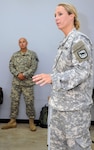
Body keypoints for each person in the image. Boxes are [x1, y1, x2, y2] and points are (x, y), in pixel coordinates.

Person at [32, 3, 93, 150]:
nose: (56, 18)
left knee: (76, 147)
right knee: (57, 146)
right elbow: (64, 73)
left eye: (60, 14)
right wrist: (53, 91)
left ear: (72, 16)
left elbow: (82, 71)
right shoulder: (64, 43)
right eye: (55, 15)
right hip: (60, 107)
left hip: (74, 111)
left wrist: (53, 78)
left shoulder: (79, 41)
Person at [1, 37, 38, 131]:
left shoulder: (32, 54)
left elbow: (34, 67)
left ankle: (31, 122)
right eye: (20, 42)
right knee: (14, 101)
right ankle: (12, 121)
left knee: (29, 102)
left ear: (27, 43)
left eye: (23, 42)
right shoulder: (15, 55)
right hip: (16, 83)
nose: (22, 43)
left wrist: (24, 74)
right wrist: (17, 74)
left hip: (28, 83)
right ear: (18, 44)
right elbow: (11, 66)